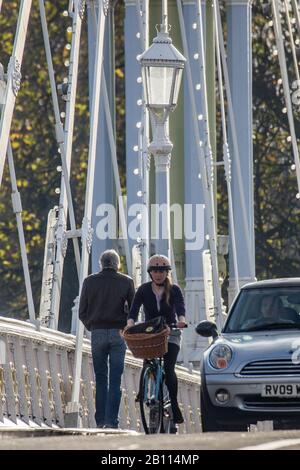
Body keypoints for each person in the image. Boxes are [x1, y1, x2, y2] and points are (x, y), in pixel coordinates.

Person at [126, 254, 187, 424]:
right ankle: (144, 388)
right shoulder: (144, 290)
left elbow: (181, 307)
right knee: (147, 360)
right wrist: (130, 324)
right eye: (155, 270)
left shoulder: (174, 289)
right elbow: (134, 309)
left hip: (171, 331)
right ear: (150, 272)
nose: (158, 274)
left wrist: (181, 320)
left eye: (162, 271)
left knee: (168, 368)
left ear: (167, 272)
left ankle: (174, 404)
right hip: (152, 331)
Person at [79, 249, 135, 429]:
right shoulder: (126, 282)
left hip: (98, 333)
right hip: (119, 333)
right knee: (115, 379)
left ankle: (100, 420)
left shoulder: (89, 281)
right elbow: (133, 311)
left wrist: (92, 326)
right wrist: (126, 327)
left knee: (101, 378)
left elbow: (82, 312)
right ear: (118, 264)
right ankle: (112, 421)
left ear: (101, 264)